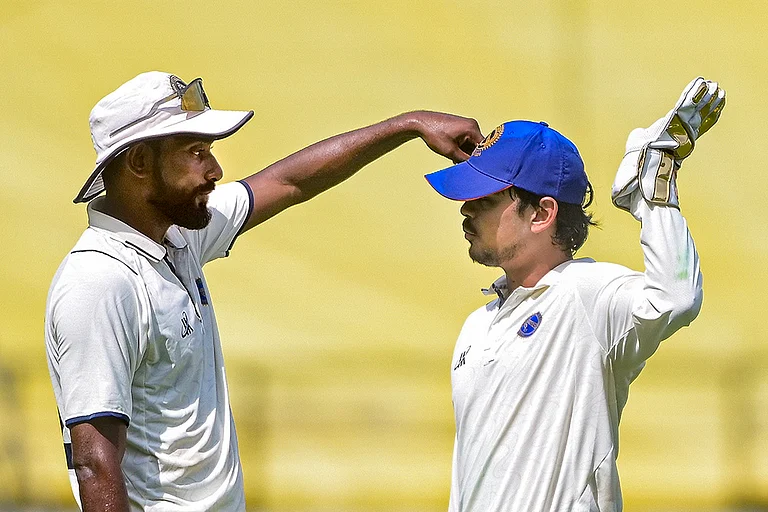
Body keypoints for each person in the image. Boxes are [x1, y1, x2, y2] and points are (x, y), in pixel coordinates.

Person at [44, 71, 484, 511]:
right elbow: (95, 463)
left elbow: (290, 182)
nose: (215, 170)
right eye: (196, 152)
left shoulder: (176, 238)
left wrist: (405, 125)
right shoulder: (99, 283)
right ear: (139, 163)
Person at [423, 77, 725, 511]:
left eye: (485, 199)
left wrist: (655, 195)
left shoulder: (586, 295)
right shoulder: (476, 325)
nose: (466, 209)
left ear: (543, 213)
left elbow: (676, 297)